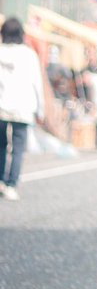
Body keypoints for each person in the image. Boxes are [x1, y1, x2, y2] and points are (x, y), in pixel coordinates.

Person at [0, 17, 45, 201]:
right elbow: (37, 84)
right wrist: (41, 109)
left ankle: (1, 180)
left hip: (1, 106)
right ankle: (11, 184)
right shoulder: (29, 55)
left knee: (1, 145)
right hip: (23, 107)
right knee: (18, 148)